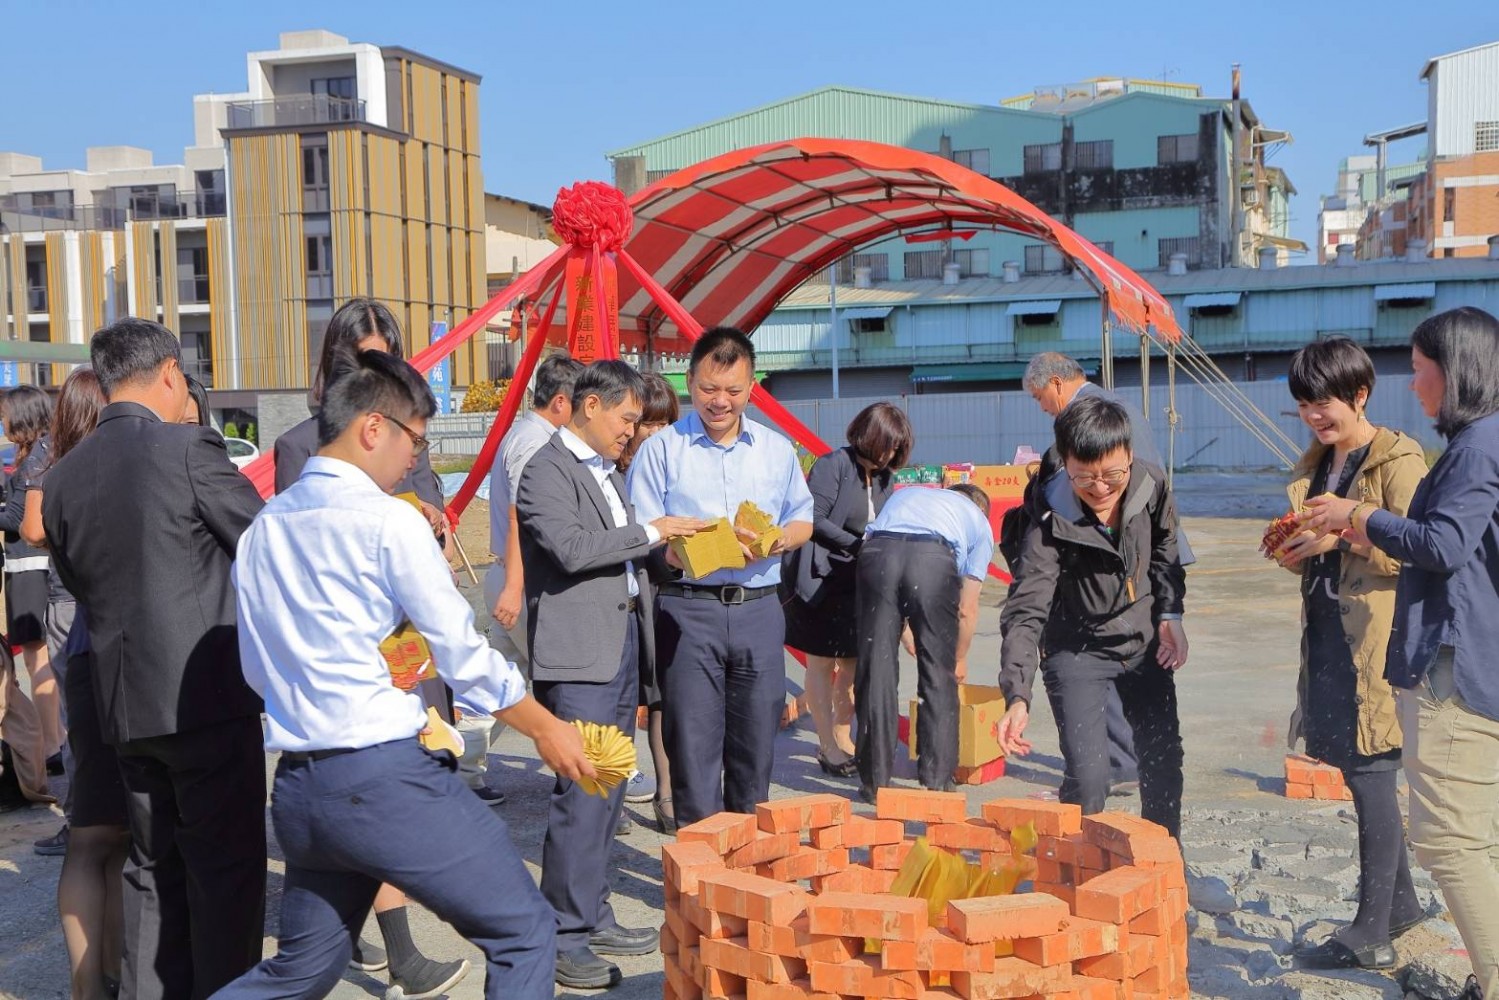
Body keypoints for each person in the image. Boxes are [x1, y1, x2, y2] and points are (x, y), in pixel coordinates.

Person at [217, 349, 592, 1000]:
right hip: (382, 778)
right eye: (415, 440)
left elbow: (256, 668)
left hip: (302, 787)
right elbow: (462, 653)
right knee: (525, 931)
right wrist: (544, 727)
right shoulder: (388, 519)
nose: (415, 459)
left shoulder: (263, 529)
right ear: (373, 428)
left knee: (299, 971)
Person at [43, 318, 267, 1000]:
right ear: (170, 372)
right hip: (205, 698)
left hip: (122, 704)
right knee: (225, 870)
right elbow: (264, 546)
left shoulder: (63, 477)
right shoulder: (188, 449)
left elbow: (79, 584)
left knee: (150, 868)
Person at [1302, 307, 1499, 1000]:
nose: (1413, 385)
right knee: (1473, 834)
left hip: (1452, 662)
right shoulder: (1481, 442)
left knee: (1448, 840)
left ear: (1456, 371)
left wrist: (1357, 516)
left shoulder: (1472, 448)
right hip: (1463, 651)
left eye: (1419, 371)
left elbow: (1442, 545)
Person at [271, 299, 463, 991]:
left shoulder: (412, 441)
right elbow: (303, 550)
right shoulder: (299, 446)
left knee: (400, 787)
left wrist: (433, 521)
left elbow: (437, 529)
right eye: (359, 361)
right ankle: (399, 951)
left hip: (412, 640)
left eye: (384, 360)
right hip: (351, 651)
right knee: (372, 793)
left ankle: (345, 936)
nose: (371, 375)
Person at [516, 360, 703, 990]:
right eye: (626, 418)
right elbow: (571, 549)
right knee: (583, 798)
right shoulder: (546, 468)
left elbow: (628, 557)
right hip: (579, 659)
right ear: (589, 406)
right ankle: (564, 936)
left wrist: (673, 551)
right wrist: (652, 530)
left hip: (618, 649)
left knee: (609, 790)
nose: (631, 431)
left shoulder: (605, 471)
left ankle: (592, 913)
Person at [1265, 338, 1429, 970]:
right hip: (1329, 632)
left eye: (1324, 402)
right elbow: (1323, 546)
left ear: (1361, 395)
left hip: (1377, 641)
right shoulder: (1317, 462)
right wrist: (1297, 548)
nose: (1314, 415)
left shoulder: (1397, 460)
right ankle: (1402, 905)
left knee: (1373, 773)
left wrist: (1344, 536)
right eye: (1304, 404)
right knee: (1352, 763)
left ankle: (1371, 933)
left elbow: (1421, 551)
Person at [627, 327, 814, 824]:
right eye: (709, 389)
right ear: (690, 382)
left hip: (759, 610)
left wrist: (776, 540)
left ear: (752, 387)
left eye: (733, 390)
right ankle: (700, 855)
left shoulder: (776, 450)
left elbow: (803, 520)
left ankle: (746, 854)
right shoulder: (661, 450)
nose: (721, 401)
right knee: (692, 748)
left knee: (756, 745)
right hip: (689, 610)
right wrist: (684, 552)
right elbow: (642, 533)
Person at [996, 395, 1188, 839]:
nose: (1101, 488)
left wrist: (1170, 613)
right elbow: (1026, 608)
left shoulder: (1151, 485)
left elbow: (1166, 550)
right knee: (1089, 778)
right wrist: (1017, 695)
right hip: (1076, 647)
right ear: (1066, 463)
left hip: (1142, 640)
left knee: (1162, 760)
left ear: (1129, 456)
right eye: (1085, 477)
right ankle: (1082, 863)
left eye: (1112, 475)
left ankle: (1164, 860)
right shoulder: (1048, 515)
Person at [29, 367, 130, 1000]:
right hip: (104, 646)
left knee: (97, 835)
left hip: (78, 640)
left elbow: (34, 528)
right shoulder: (105, 474)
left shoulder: (57, 473)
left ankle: (95, 983)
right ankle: (104, 980)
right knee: (109, 838)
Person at [460, 354, 584, 811]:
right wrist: (516, 587)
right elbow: (522, 519)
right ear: (560, 402)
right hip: (524, 582)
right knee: (569, 681)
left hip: (509, 578)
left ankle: (463, 769)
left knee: (499, 682)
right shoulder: (536, 444)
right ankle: (598, 768)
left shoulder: (523, 435)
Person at [784, 402, 913, 778]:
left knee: (854, 667)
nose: (890, 455)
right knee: (822, 664)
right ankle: (827, 744)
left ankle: (843, 736)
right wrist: (859, 545)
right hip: (821, 580)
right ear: (869, 436)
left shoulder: (885, 478)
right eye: (887, 445)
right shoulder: (833, 465)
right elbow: (813, 519)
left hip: (860, 583)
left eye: (897, 448)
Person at [855, 482, 991, 799]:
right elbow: (967, 609)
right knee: (937, 676)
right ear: (980, 508)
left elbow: (894, 564)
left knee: (876, 671)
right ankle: (938, 780)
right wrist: (957, 658)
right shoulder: (979, 522)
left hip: (877, 554)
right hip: (932, 559)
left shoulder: (909, 494)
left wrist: (905, 634)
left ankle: (875, 783)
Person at [616, 371, 680, 829]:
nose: (657, 433)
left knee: (661, 698)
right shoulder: (612, 471)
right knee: (619, 700)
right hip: (629, 595)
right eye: (649, 423)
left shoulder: (676, 464)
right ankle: (611, 793)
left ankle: (668, 792)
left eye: (665, 423)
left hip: (667, 589)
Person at [1, 385, 63, 772]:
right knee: (39, 655)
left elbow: (16, 519)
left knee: (37, 656)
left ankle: (51, 745)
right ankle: (54, 740)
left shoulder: (36, 457)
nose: (3, 421)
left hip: (29, 566)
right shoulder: (38, 452)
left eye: (5, 415)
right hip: (31, 565)